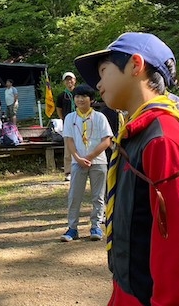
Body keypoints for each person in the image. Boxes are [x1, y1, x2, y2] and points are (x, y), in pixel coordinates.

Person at [74, 32, 179, 306]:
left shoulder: (162, 138)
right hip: (129, 288)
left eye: (103, 71)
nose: (98, 83)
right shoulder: (137, 133)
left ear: (136, 65)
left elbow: (175, 246)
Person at [60, 84, 112, 242]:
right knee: (75, 195)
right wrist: (77, 158)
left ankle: (96, 226)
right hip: (78, 162)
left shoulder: (99, 117)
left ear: (92, 99)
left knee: (98, 196)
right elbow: (69, 140)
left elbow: (107, 141)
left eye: (83, 96)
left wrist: (89, 157)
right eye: (77, 96)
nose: (80, 99)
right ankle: (72, 228)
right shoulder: (70, 117)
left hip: (98, 161)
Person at [56, 72, 77, 180]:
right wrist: (63, 119)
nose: (69, 82)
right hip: (68, 124)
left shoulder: (79, 93)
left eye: (71, 79)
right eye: (67, 80)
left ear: (75, 80)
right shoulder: (61, 96)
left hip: (80, 122)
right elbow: (59, 109)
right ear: (64, 82)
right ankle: (68, 171)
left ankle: (82, 168)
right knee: (68, 148)